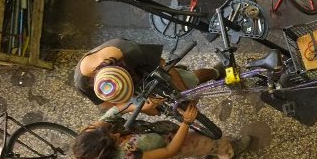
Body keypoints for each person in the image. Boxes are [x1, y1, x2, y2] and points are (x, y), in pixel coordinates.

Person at [72, 101, 250, 159]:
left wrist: (140, 106)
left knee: (189, 140)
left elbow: (117, 109)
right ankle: (227, 151)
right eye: (115, 138)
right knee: (200, 142)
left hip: (153, 134)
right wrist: (186, 123)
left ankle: (206, 152)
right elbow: (169, 150)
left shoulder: (93, 133)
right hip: (165, 145)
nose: (117, 133)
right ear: (112, 151)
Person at [74, 39, 222, 112]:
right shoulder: (82, 82)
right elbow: (107, 106)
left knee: (190, 79)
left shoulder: (130, 50)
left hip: (145, 69)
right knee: (153, 110)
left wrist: (183, 94)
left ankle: (217, 71)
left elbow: (165, 66)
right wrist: (140, 107)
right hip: (125, 90)